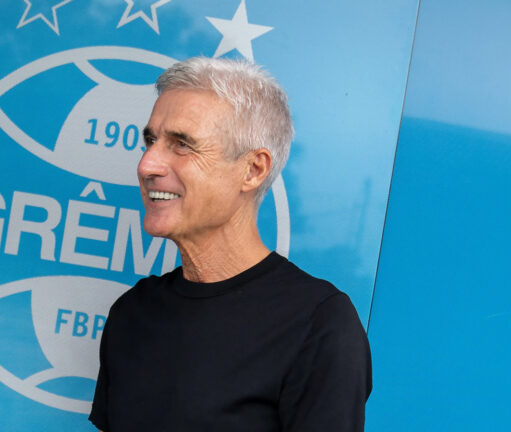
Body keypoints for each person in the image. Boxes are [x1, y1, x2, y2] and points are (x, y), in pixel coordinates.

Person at [89, 57, 371, 431]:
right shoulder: (133, 312)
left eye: (182, 144)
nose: (147, 164)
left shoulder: (318, 324)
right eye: (151, 140)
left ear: (253, 170)